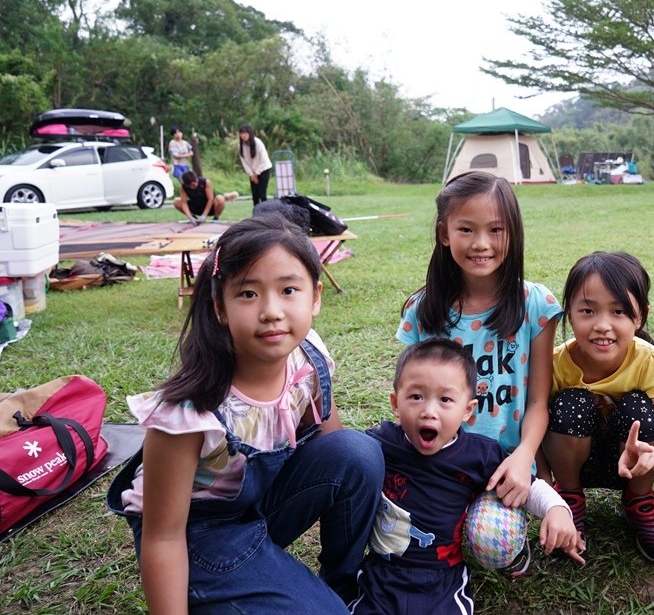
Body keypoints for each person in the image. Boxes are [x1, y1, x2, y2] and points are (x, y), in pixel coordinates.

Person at [105, 213, 385, 611]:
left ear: (316, 297)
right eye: (249, 294)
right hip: (201, 534)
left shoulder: (308, 356)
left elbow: (336, 447)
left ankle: (340, 584)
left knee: (358, 452)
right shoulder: (190, 412)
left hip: (262, 507)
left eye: (289, 290)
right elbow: (163, 538)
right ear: (220, 307)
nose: (271, 310)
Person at [397, 171, 561, 565]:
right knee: (404, 534)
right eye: (466, 229)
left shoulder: (535, 305)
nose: (481, 244)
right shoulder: (423, 312)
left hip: (503, 465)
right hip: (438, 458)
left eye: (495, 230)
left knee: (492, 545)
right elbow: (412, 400)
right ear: (444, 233)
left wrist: (524, 458)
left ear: (513, 233)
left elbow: (539, 401)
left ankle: (508, 527)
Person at [348, 339, 583, 614]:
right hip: (381, 572)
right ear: (395, 403)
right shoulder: (382, 442)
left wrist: (557, 509)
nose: (429, 411)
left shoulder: (479, 455)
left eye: (445, 400)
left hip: (443, 578)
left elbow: (525, 485)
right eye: (415, 397)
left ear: (467, 410)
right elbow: (346, 462)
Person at [543, 251, 654, 564]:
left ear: (640, 316)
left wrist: (652, 457)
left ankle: (640, 502)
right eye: (587, 310)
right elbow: (532, 433)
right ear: (569, 315)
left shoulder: (652, 362)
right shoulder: (555, 364)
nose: (602, 325)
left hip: (633, 467)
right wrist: (550, 501)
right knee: (570, 403)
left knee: (639, 408)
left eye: (618, 312)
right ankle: (570, 501)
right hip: (572, 465)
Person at [238, 123, 272, 208]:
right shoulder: (241, 145)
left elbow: (264, 159)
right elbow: (244, 162)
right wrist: (251, 175)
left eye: (246, 133)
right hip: (252, 173)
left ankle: (267, 214)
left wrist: (256, 173)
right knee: (255, 195)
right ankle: (256, 215)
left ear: (250, 133)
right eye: (242, 133)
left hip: (263, 169)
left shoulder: (258, 142)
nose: (244, 135)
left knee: (262, 193)